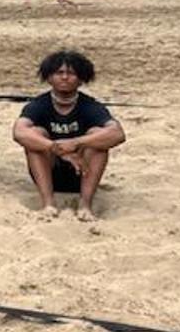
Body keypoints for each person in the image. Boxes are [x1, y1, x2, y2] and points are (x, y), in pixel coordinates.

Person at [12, 50, 126, 221]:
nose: (65, 77)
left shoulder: (90, 106)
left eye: (71, 73)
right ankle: (48, 204)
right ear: (49, 77)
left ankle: (85, 205)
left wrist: (76, 143)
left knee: (98, 138)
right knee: (35, 134)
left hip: (83, 172)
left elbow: (117, 133)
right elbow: (19, 132)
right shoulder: (39, 104)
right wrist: (56, 148)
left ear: (81, 79)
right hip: (49, 171)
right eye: (59, 72)